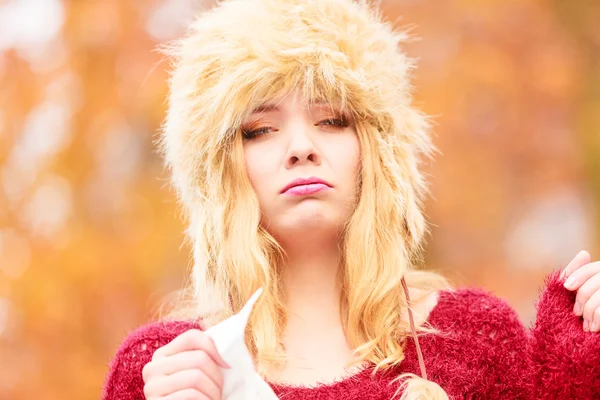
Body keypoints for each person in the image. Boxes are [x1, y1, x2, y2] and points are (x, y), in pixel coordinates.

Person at [101, 0, 600, 398]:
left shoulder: (475, 338)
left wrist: (583, 368)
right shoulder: (164, 369)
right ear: (218, 171)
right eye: (260, 130)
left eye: (332, 120)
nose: (301, 148)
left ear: (376, 151)